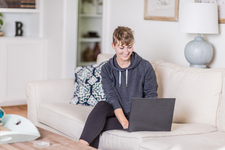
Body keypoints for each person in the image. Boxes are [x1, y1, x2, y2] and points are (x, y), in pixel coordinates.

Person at [79, 26, 158, 148]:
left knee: (95, 125)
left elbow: (151, 96)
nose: (126, 52)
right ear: (113, 45)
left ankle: (79, 147)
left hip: (136, 117)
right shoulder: (107, 69)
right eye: (121, 47)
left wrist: (139, 119)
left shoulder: (145, 67)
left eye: (129, 47)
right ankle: (80, 146)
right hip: (116, 113)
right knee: (102, 105)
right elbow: (111, 96)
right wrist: (122, 120)